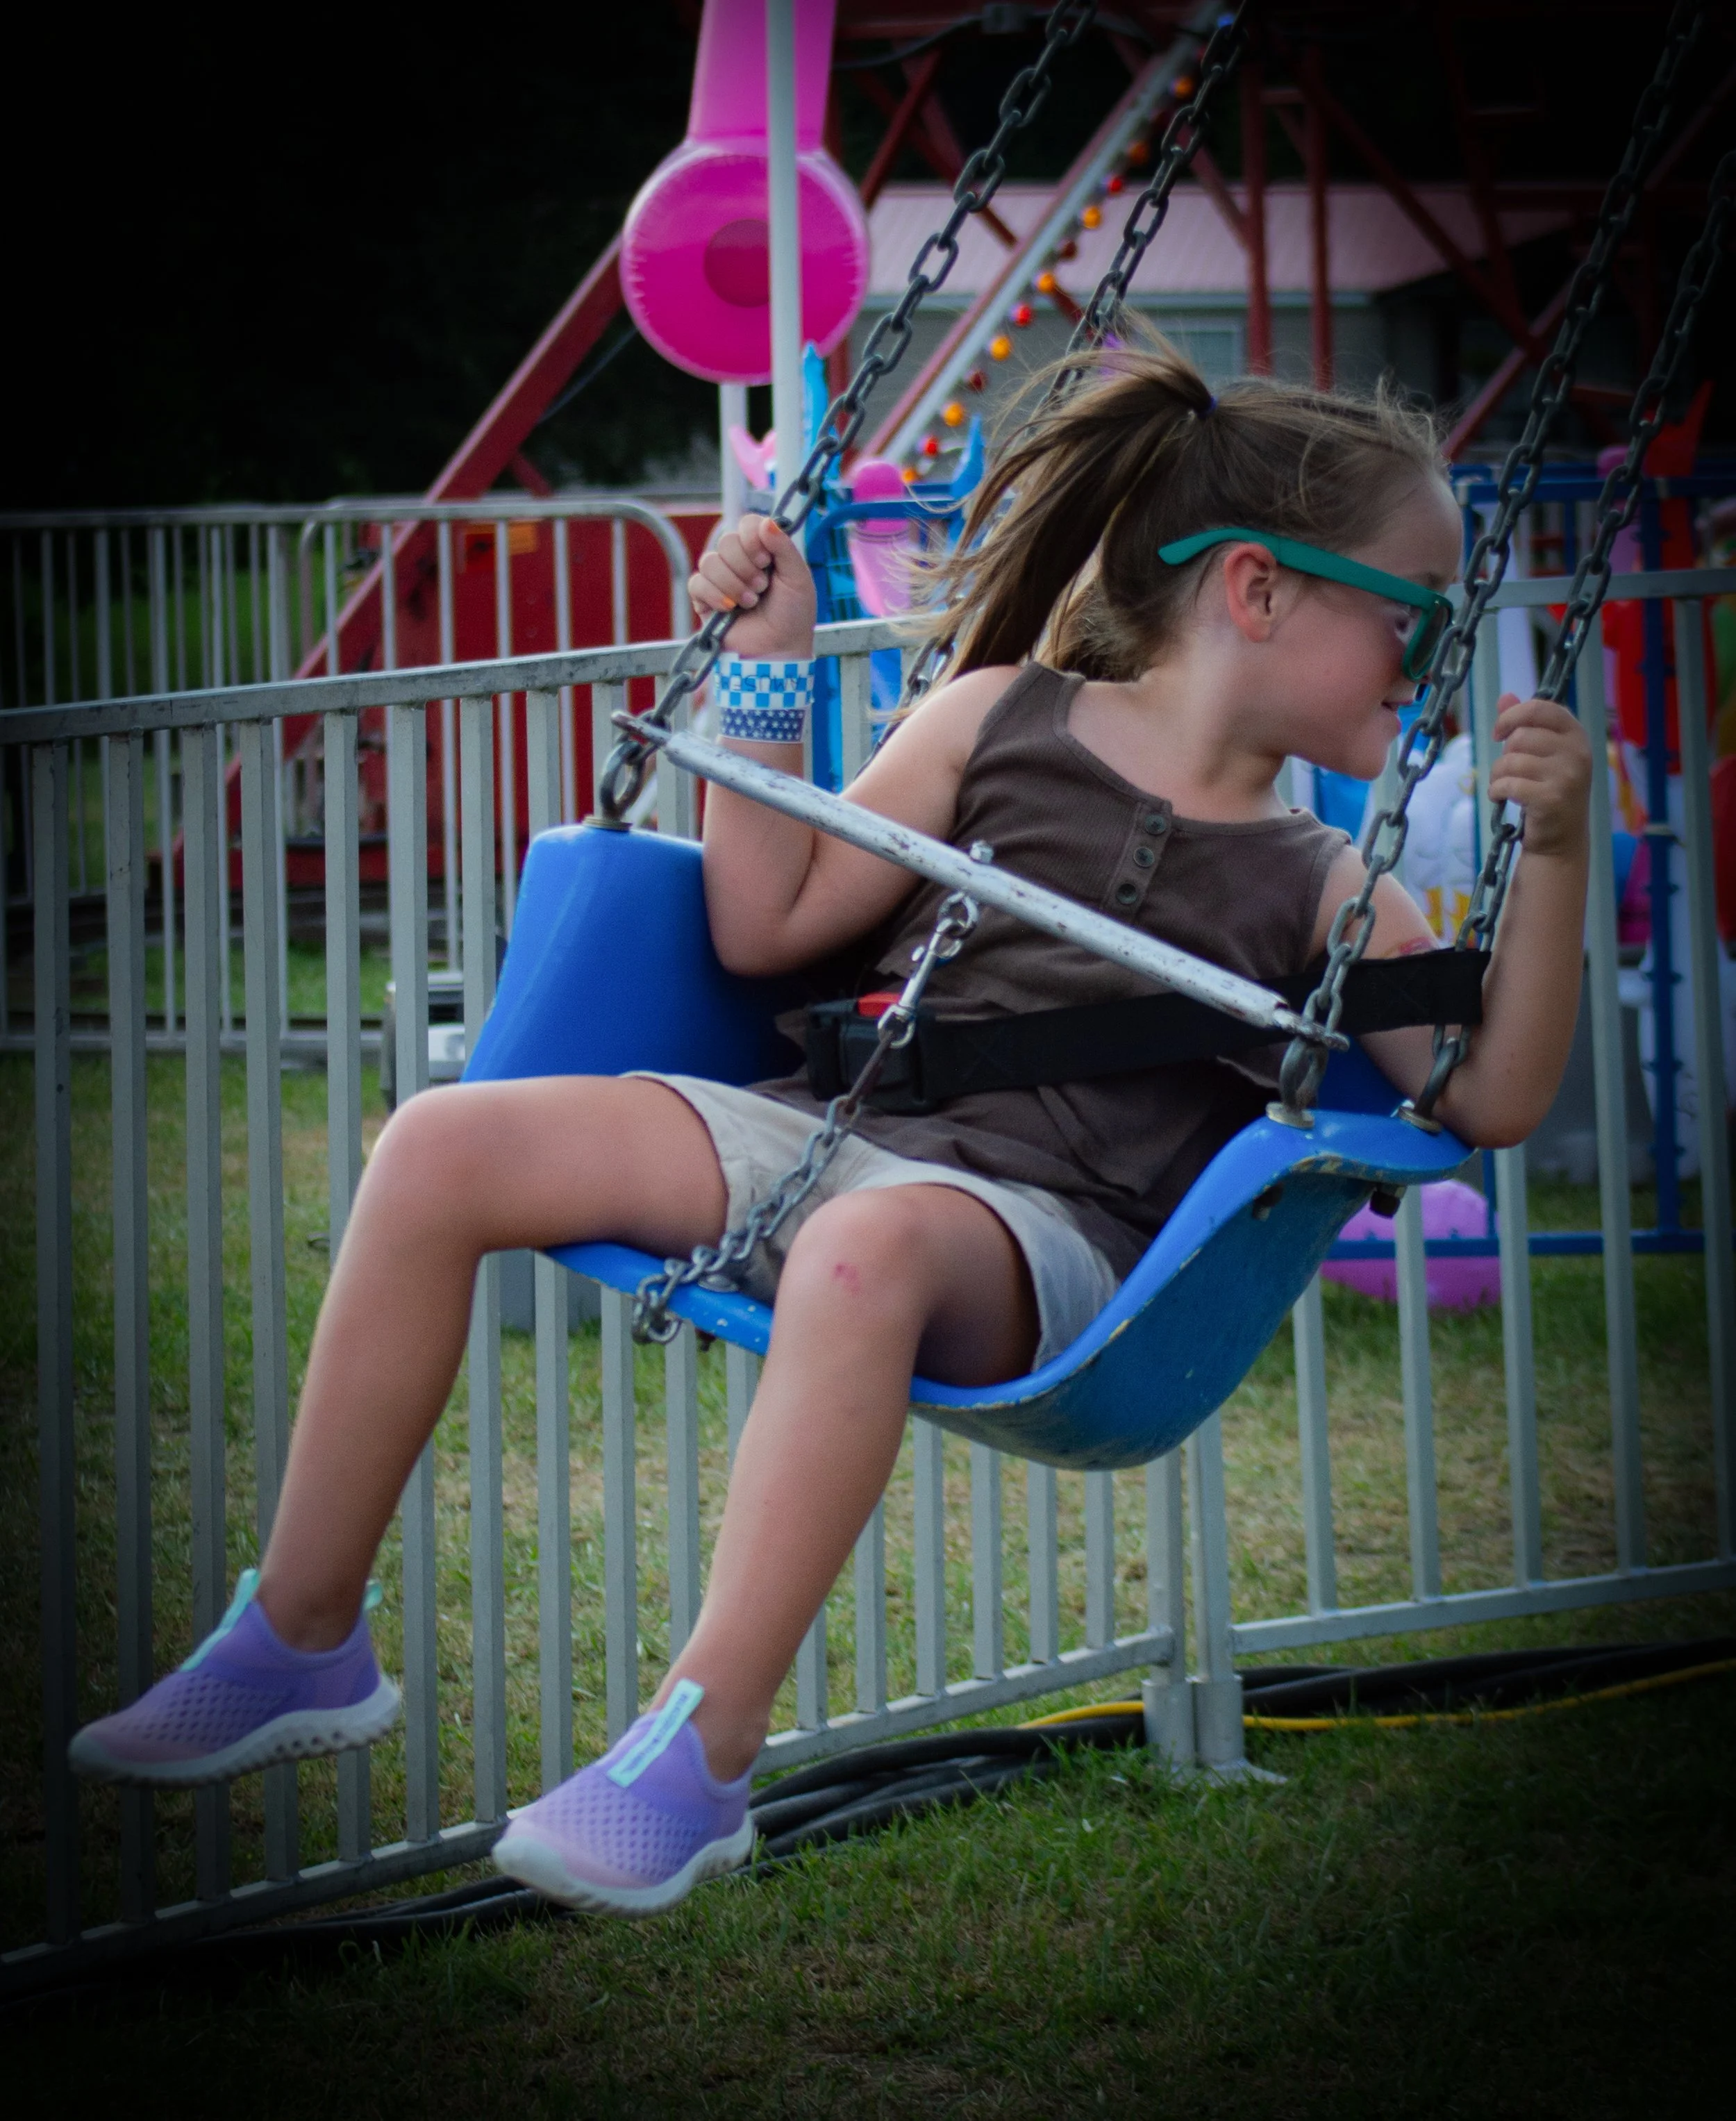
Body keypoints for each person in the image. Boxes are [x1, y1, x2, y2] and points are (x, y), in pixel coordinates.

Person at [68, 348, 1592, 1917]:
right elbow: (763, 917)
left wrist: (1555, 850)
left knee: (866, 1248)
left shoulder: (1320, 884)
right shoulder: (998, 718)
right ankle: (302, 1634)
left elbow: (1487, 1095)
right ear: (1259, 591)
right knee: (441, 1145)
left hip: (1046, 1239)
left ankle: (695, 1760)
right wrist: (768, 664)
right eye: (1409, 608)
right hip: (829, 1137)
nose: (1433, 650)